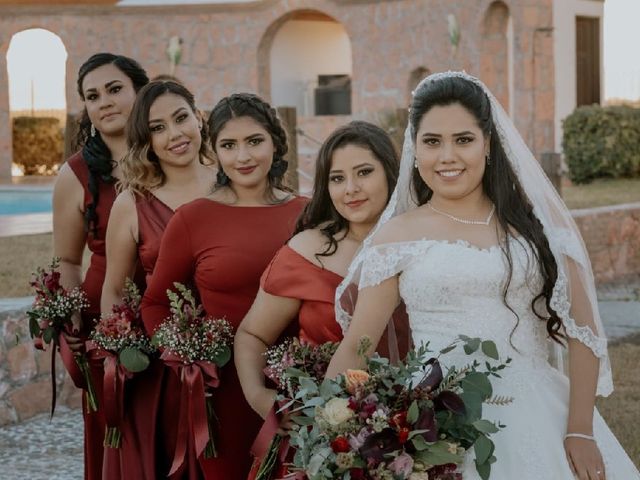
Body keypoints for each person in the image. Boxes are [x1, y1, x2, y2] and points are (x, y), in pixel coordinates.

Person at [325, 72, 640, 480]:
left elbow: (583, 334)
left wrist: (580, 429)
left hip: (536, 412)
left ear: (488, 143)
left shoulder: (538, 229)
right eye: (432, 142)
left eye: (464, 140)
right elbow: (357, 348)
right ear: (414, 148)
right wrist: (331, 426)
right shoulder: (396, 236)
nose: (447, 156)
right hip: (431, 425)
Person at [140, 93, 307, 479]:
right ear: (213, 152)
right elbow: (154, 303)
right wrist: (185, 357)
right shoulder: (193, 219)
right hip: (222, 393)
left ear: (276, 143)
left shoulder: (308, 213)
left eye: (254, 141)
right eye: (229, 145)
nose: (243, 157)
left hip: (300, 390)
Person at [235, 121, 408, 477]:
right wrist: (259, 397)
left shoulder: (420, 246)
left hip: (412, 436)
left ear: (391, 174)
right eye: (337, 178)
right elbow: (252, 335)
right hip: (319, 441)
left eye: (364, 172)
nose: (351, 189)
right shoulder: (306, 252)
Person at [99, 80, 216, 479]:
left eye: (181, 118)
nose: (175, 134)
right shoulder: (132, 203)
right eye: (158, 127)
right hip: (160, 369)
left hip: (233, 356)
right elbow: (114, 287)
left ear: (199, 118)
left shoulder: (233, 184)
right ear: (146, 141)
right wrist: (121, 351)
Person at [52, 52, 148, 480]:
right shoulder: (74, 175)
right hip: (105, 321)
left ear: (141, 92)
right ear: (86, 109)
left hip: (178, 316)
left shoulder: (173, 157)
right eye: (93, 96)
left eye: (115, 89)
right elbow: (69, 260)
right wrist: (73, 322)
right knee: (119, 436)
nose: (105, 102)